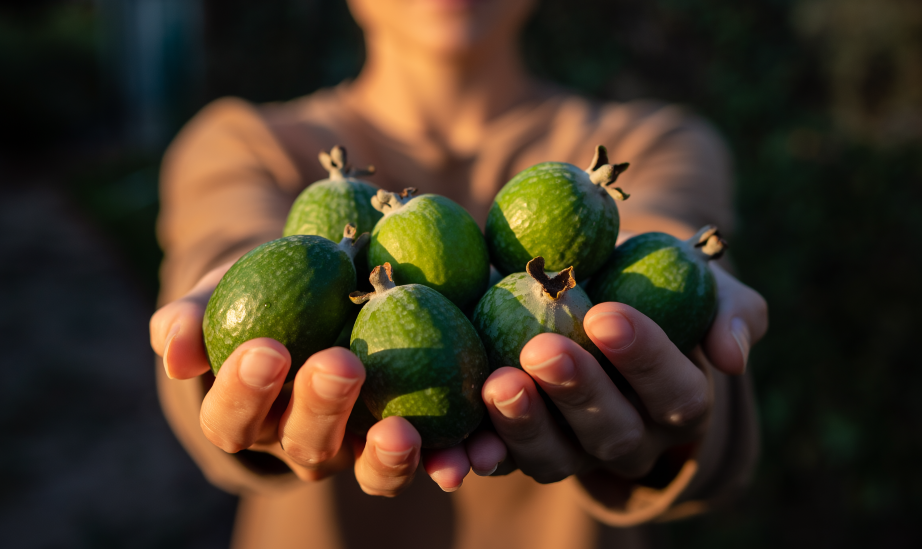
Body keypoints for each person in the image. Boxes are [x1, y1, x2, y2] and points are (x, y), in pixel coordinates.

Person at [149, 1, 768, 548]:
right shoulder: (244, 142)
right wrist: (223, 360)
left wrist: (677, 409)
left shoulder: (662, 139)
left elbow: (663, 223)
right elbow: (225, 237)